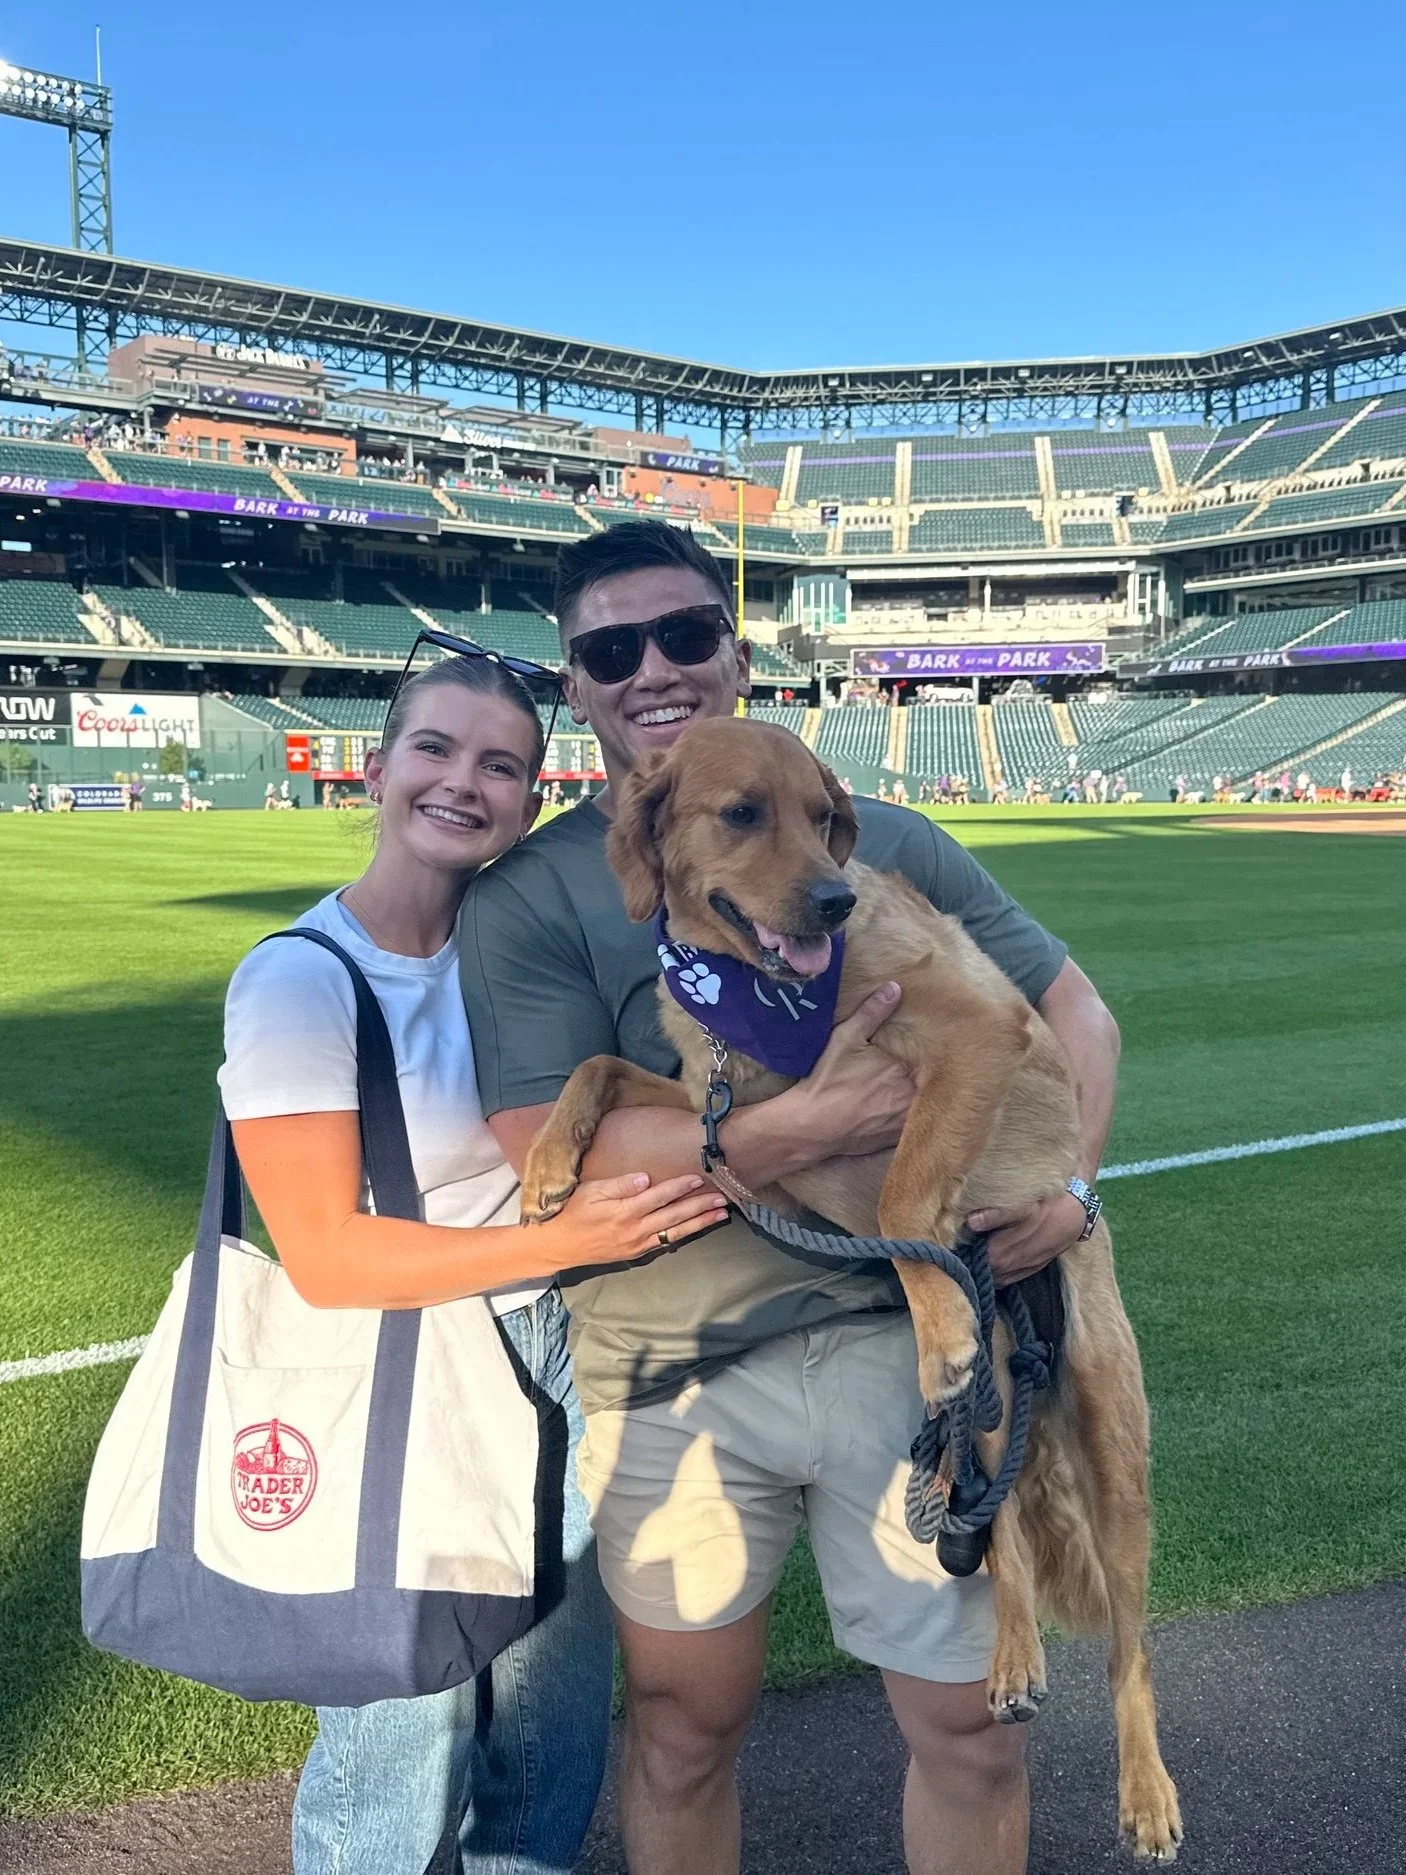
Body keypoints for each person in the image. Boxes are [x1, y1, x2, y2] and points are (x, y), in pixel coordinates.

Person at [459, 523, 1120, 1875]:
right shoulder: (527, 898)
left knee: (971, 1729)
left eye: (686, 632)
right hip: (678, 1367)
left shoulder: (881, 852)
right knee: (684, 1729)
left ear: (734, 647)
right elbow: (554, 1153)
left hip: (903, 1349)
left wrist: (1071, 1182)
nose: (653, 665)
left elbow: (1070, 1006)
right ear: (573, 679)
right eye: (610, 647)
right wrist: (810, 1121)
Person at [219, 652, 726, 1875]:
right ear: (380, 766)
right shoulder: (301, 976)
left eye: (500, 765)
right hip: (403, 1362)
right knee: (409, 1722)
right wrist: (566, 1239)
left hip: (556, 1350)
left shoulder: (508, 950)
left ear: (529, 791)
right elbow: (328, 1259)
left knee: (547, 1718)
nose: (464, 783)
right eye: (436, 751)